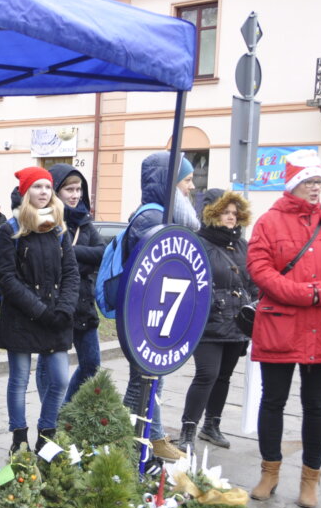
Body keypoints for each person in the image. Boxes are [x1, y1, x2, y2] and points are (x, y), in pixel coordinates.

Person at [246, 150, 321, 507]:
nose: (315, 188)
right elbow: (259, 267)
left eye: (319, 182)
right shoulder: (269, 222)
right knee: (273, 401)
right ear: (294, 184)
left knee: (316, 405)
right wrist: (300, 294)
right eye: (309, 181)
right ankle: (269, 472)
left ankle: (310, 479)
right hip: (280, 326)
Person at [120, 152, 200, 462]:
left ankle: (147, 437)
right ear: (169, 182)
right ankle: (135, 440)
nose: (191, 187)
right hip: (145, 318)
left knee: (151, 379)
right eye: (187, 180)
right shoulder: (152, 218)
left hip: (154, 316)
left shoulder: (160, 217)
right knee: (144, 381)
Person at [0, 167, 79, 452]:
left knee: (60, 379)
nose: (43, 192)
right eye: (37, 186)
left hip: (55, 317)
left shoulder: (58, 228)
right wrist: (40, 311)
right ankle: (19, 439)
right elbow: (7, 278)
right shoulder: (10, 229)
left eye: (47, 187)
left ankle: (46, 434)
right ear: (25, 192)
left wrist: (64, 309)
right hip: (22, 317)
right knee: (19, 379)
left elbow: (71, 273)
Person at [175, 190, 255, 453]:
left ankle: (212, 425)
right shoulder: (198, 243)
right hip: (207, 322)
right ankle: (188, 429)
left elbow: (251, 280)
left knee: (224, 376)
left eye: (234, 213)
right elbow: (190, 281)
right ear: (212, 214)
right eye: (225, 212)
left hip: (237, 322)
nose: (231, 217)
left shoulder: (242, 245)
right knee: (207, 374)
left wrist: (254, 303)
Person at [49, 163, 105, 408]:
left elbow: (102, 253)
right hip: (58, 305)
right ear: (56, 192)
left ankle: (64, 410)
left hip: (84, 305)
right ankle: (50, 416)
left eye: (78, 189)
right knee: (51, 370)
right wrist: (81, 260)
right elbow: (52, 261)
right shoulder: (48, 221)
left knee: (91, 364)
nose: (75, 195)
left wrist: (70, 253)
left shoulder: (85, 222)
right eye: (69, 190)